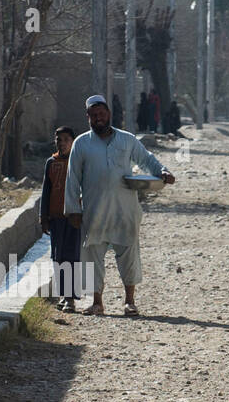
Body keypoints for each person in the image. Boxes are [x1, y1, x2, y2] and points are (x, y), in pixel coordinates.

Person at [64, 94, 176, 317]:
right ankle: (97, 302)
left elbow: (147, 159)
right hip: (94, 211)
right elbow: (72, 178)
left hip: (125, 210)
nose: (98, 118)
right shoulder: (82, 143)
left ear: (109, 114)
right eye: (94, 115)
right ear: (88, 117)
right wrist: (73, 210)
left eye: (102, 114)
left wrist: (162, 171)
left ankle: (130, 301)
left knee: (129, 254)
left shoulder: (127, 140)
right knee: (92, 256)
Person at [39, 125, 81, 312]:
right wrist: (43, 217)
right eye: (59, 140)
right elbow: (46, 191)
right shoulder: (51, 163)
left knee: (72, 257)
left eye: (66, 140)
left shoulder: (78, 162)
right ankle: (64, 295)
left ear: (73, 142)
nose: (62, 143)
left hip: (74, 217)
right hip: (56, 218)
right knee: (58, 257)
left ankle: (71, 298)